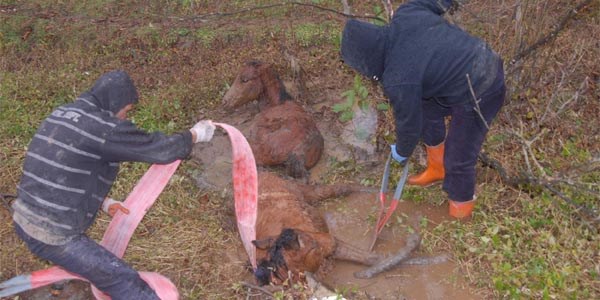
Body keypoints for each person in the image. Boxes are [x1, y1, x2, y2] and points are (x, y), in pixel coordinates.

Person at [11, 70, 215, 299]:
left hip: (23, 218)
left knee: (91, 264)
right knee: (123, 279)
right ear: (115, 101)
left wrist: (104, 203)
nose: (125, 118)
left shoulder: (62, 113)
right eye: (126, 111)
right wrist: (195, 135)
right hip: (51, 234)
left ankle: (70, 275)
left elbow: (62, 168)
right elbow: (160, 150)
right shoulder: (103, 127)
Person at [341, 0, 505, 218]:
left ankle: (460, 212)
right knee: (425, 110)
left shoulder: (397, 78)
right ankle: (437, 169)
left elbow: (408, 125)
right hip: (464, 74)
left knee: (459, 155)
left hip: (483, 85)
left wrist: (401, 152)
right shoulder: (406, 13)